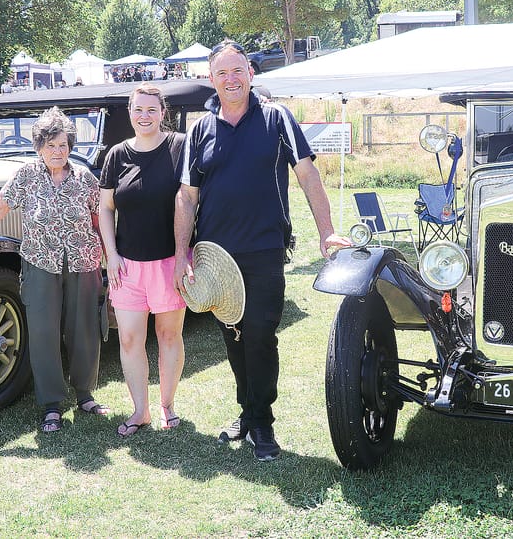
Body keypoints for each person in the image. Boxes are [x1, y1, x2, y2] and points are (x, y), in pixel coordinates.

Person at [173, 40, 349, 461]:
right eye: (221, 74)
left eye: (237, 71)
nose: (230, 80)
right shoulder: (200, 130)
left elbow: (308, 176)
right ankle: (248, 413)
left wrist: (326, 232)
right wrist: (182, 252)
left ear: (251, 74)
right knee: (233, 337)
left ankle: (262, 423)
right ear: (211, 80)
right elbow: (186, 196)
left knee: (261, 334)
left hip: (265, 250)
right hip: (215, 256)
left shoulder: (277, 117)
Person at [0, 107, 108, 434]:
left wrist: (112, 258)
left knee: (83, 329)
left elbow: (102, 221)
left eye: (63, 145)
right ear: (39, 147)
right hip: (40, 264)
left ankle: (85, 394)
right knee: (42, 333)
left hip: (83, 262)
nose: (58, 152)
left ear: (71, 146)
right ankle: (52, 405)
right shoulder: (26, 176)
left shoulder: (85, 178)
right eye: (50, 146)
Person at [99, 84, 187, 437]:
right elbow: (106, 209)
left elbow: (192, 200)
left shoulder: (180, 147)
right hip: (127, 267)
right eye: (138, 110)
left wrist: (186, 256)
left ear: (162, 112)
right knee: (131, 341)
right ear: (130, 112)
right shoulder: (116, 155)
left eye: (152, 109)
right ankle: (140, 411)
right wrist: (112, 255)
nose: (144, 116)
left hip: (169, 262)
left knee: (169, 336)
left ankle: (167, 406)